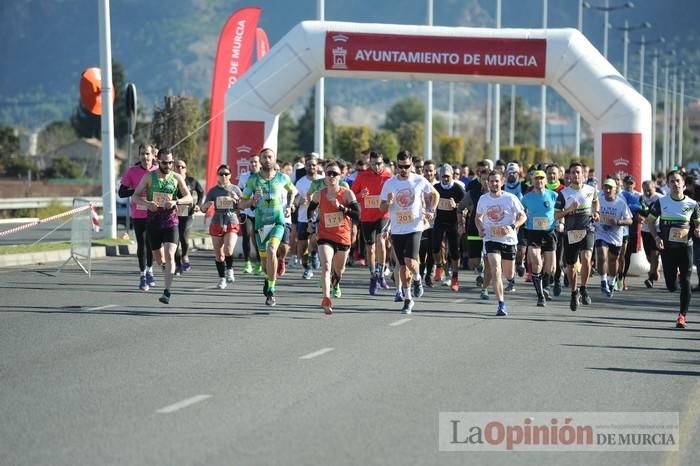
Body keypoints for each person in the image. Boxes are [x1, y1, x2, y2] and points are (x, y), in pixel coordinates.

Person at [379, 151, 438, 314]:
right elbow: (382, 207)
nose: (403, 170)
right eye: (400, 166)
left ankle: (418, 279)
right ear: (396, 165)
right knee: (403, 265)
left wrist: (431, 210)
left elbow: (435, 194)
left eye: (406, 166)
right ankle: (407, 299)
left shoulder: (418, 180)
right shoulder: (390, 183)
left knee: (410, 261)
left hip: (415, 227)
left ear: (411, 165)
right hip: (397, 229)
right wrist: (388, 202)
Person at [132, 148, 192, 304]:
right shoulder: (149, 177)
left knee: (171, 254)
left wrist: (176, 201)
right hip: (153, 223)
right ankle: (165, 267)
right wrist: (147, 203)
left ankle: (167, 291)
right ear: (158, 161)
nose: (168, 165)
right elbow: (135, 196)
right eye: (165, 162)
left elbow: (189, 197)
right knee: (159, 258)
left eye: (171, 162)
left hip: (171, 222)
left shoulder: (177, 177)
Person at [240, 148, 297, 306]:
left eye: (269, 157)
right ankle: (268, 278)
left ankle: (271, 291)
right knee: (265, 263)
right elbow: (241, 203)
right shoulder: (252, 180)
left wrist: (290, 205)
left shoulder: (282, 177)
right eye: (264, 157)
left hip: (278, 222)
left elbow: (293, 191)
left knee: (273, 250)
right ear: (260, 160)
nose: (267, 159)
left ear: (274, 159)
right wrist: (252, 200)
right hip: (261, 225)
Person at [647, 170, 700, 328]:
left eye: (678, 181)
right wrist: (657, 237)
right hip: (668, 249)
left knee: (686, 281)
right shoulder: (661, 203)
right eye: (672, 181)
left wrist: (698, 229)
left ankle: (682, 316)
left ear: (683, 184)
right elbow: (650, 221)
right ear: (668, 184)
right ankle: (673, 277)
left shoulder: (692, 204)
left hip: (685, 248)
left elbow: (697, 223)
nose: (675, 184)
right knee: (671, 286)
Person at [306, 160, 360, 314]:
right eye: (328, 173)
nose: (331, 176)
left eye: (334, 174)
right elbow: (310, 210)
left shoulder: (347, 193)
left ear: (340, 176)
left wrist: (341, 207)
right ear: (325, 176)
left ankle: (336, 283)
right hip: (325, 236)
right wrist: (311, 221)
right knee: (326, 267)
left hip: (343, 237)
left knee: (339, 270)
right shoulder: (319, 194)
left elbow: (357, 214)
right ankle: (326, 298)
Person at [475, 170, 527, 316]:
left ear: (502, 182)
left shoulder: (510, 198)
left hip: (508, 240)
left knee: (508, 273)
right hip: (491, 239)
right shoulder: (483, 199)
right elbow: (478, 217)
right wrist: (480, 228)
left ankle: (511, 279)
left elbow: (523, 216)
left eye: (497, 181)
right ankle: (501, 304)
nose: (494, 184)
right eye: (491, 181)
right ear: (488, 183)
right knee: (495, 269)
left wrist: (512, 226)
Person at [554, 162, 599, 312]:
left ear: (584, 175)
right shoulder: (564, 193)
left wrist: (596, 212)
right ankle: (574, 292)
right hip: (571, 232)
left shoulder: (591, 190)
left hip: (587, 229)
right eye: (573, 172)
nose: (575, 175)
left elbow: (595, 202)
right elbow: (556, 215)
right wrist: (568, 210)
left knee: (586, 258)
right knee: (572, 267)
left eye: (578, 172)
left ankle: (584, 288)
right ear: (569, 175)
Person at [352, 151, 393, 295]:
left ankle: (381, 272)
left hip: (383, 214)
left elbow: (397, 193)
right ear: (370, 163)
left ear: (383, 163)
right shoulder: (362, 176)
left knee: (380, 239)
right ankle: (373, 276)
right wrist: (359, 195)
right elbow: (352, 195)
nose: (377, 166)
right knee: (370, 248)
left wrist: (390, 200)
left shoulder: (389, 177)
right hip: (367, 217)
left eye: (380, 163)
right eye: (374, 163)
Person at [118, 143, 158, 291]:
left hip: (155, 213)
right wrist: (137, 191)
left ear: (153, 155)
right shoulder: (132, 171)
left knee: (152, 245)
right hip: (139, 214)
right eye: (142, 153)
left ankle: (150, 270)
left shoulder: (158, 171)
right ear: (139, 155)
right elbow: (121, 193)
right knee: (141, 245)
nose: (145, 156)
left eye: (147, 153)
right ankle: (142, 275)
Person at [201, 164, 242, 289]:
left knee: (228, 250)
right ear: (217, 176)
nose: (224, 176)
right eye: (221, 174)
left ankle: (230, 269)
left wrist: (237, 200)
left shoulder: (235, 189)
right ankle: (222, 278)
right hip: (217, 221)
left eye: (226, 174)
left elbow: (243, 206)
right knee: (219, 255)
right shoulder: (213, 191)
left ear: (230, 175)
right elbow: (203, 209)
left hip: (231, 220)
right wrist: (207, 205)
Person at [520, 170, 558, 307]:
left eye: (541, 178)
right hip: (533, 232)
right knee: (536, 263)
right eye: (536, 178)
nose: (539, 181)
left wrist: (562, 223)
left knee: (551, 267)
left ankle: (546, 286)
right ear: (532, 180)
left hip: (549, 232)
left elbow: (560, 212)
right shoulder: (526, 197)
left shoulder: (553, 195)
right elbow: (520, 212)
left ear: (546, 180)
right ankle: (540, 296)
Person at [594, 177, 632, 298]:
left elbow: (630, 220)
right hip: (601, 233)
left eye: (610, 188)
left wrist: (618, 222)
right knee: (601, 254)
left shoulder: (621, 203)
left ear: (615, 189)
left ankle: (611, 281)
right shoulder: (599, 200)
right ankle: (603, 281)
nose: (608, 190)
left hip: (615, 236)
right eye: (606, 187)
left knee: (613, 260)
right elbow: (593, 213)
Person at [432, 164, 466, 292]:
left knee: (454, 251)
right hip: (440, 220)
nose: (445, 179)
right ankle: (439, 266)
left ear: (452, 176)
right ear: (439, 176)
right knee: (435, 246)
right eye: (443, 176)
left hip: (453, 222)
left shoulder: (458, 189)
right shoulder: (435, 187)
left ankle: (455, 278)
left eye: (447, 176)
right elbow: (429, 199)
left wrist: (456, 205)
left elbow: (466, 206)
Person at [173, 159, 203, 275]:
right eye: (177, 166)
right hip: (174, 211)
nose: (180, 168)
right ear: (174, 168)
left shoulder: (191, 181)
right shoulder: (171, 180)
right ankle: (178, 264)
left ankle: (184, 254)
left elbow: (201, 192)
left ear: (186, 169)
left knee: (183, 237)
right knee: (175, 239)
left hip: (188, 211)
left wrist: (198, 205)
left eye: (182, 167)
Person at [294, 155, 321, 279]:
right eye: (309, 165)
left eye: (314, 165)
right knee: (302, 245)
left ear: (317, 167)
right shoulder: (301, 182)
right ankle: (307, 267)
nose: (312, 167)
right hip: (303, 217)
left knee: (315, 238)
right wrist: (300, 201)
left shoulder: (322, 180)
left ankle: (314, 253)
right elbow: (294, 200)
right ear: (305, 167)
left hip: (319, 216)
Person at [239, 153, 262, 275]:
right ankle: (247, 262)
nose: (253, 164)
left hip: (260, 212)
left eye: (255, 162)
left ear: (260, 163)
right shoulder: (244, 176)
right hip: (246, 211)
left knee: (258, 238)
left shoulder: (264, 176)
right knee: (246, 235)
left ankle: (259, 262)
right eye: (251, 162)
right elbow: (240, 192)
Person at [639, 180, 663, 288]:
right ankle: (655, 269)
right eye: (644, 190)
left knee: (654, 254)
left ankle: (651, 278)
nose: (647, 192)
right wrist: (638, 217)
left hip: (657, 229)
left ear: (654, 188)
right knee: (649, 257)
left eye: (649, 190)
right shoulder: (641, 198)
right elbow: (637, 211)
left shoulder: (661, 198)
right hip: (645, 230)